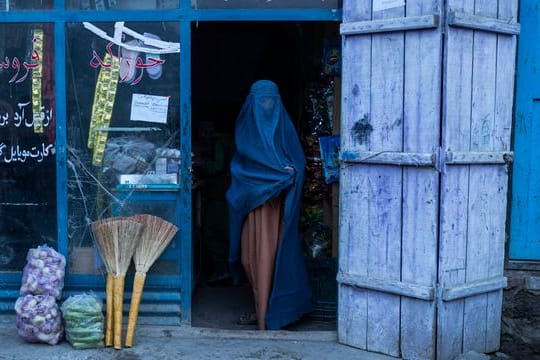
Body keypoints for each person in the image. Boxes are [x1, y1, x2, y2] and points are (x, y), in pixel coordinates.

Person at [226, 80, 312, 330]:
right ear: (252, 103)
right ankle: (261, 310)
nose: (266, 106)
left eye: (271, 101)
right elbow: (240, 170)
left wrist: (288, 174)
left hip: (276, 210)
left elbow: (298, 163)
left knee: (268, 261)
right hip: (252, 209)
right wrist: (262, 181)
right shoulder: (245, 132)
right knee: (249, 260)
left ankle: (266, 318)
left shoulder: (283, 129)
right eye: (262, 101)